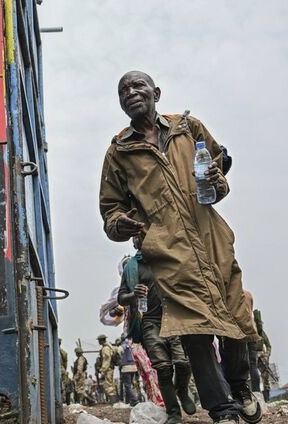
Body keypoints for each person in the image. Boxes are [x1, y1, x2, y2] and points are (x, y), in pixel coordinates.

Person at [99, 71, 260, 424]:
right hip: (168, 250)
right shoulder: (119, 152)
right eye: (123, 90)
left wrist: (218, 181)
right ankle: (222, 410)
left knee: (236, 315)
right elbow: (110, 210)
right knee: (194, 331)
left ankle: (240, 387)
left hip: (212, 239)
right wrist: (119, 223)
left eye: (138, 86)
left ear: (156, 93)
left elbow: (218, 171)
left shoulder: (188, 128)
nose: (131, 92)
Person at [118, 249, 195, 424]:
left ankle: (182, 391)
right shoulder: (132, 267)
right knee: (163, 368)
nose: (139, 240)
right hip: (149, 322)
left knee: (183, 363)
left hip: (174, 317)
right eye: (136, 238)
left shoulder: (167, 257)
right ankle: (173, 413)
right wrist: (134, 294)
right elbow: (121, 298)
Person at [253, 309, 272, 402]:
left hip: (262, 357)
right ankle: (255, 397)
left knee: (266, 377)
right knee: (252, 377)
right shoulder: (250, 331)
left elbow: (269, 346)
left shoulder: (262, 333)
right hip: (252, 357)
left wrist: (267, 354)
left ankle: (267, 399)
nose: (259, 325)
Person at [117, 337, 139, 406]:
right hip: (134, 367)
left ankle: (135, 400)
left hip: (126, 368)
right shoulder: (131, 346)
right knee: (131, 385)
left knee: (127, 386)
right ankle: (131, 401)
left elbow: (119, 353)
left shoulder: (122, 346)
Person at [97, 334, 118, 404]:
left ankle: (113, 402)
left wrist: (103, 370)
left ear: (101, 340)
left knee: (109, 385)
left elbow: (106, 360)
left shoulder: (105, 348)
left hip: (108, 368)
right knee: (110, 384)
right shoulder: (108, 347)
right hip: (109, 368)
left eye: (99, 340)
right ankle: (113, 401)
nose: (98, 342)